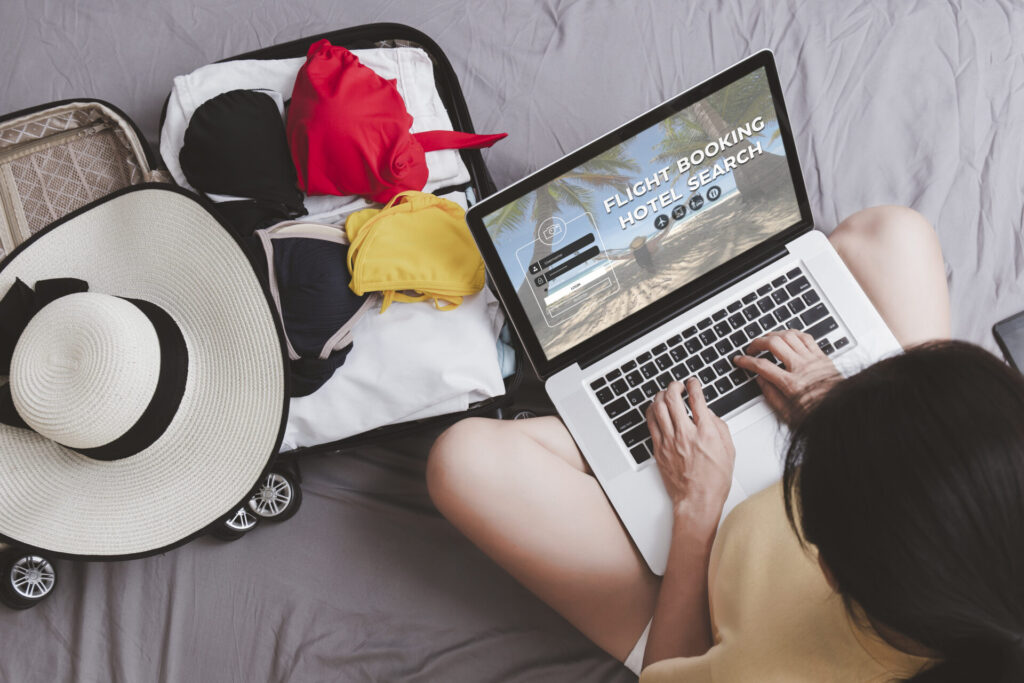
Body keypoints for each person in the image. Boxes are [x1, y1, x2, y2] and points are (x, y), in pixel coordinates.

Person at [427, 206, 1021, 681]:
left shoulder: (760, 672)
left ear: (828, 569)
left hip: (708, 587)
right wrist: (845, 411)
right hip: (885, 524)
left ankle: (622, 441)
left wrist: (696, 510)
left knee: (463, 461)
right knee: (894, 231)